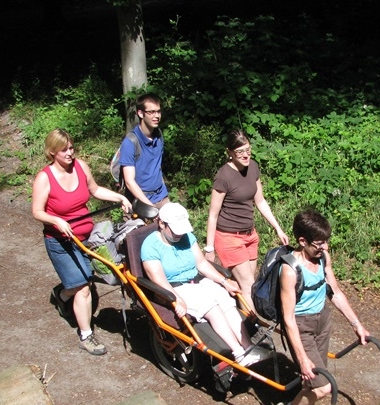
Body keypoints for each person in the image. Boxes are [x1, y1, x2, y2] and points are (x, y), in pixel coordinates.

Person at [32, 128, 131, 356]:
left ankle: (63, 294)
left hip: (87, 237)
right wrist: (56, 220)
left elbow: (95, 190)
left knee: (99, 274)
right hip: (60, 241)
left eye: (71, 148)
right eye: (64, 149)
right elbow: (37, 211)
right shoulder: (44, 178)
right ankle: (86, 336)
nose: (70, 153)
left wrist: (120, 197)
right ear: (52, 152)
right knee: (84, 288)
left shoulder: (80, 167)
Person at [278, 210, 369, 405]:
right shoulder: (290, 270)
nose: (325, 248)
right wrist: (301, 359)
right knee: (323, 386)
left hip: (322, 321)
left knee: (314, 378)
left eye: (326, 242)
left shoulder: (324, 258)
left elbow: (335, 292)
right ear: (302, 241)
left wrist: (357, 325)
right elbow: (288, 319)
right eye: (319, 244)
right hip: (301, 327)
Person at [141, 202, 265, 366]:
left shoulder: (186, 236)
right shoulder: (150, 246)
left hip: (197, 281)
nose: (180, 234)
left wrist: (224, 281)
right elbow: (159, 279)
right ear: (162, 224)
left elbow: (202, 264)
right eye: (175, 230)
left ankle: (248, 346)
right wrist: (177, 299)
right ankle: (239, 353)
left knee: (225, 299)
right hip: (175, 288)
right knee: (210, 306)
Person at [205, 129, 288, 311]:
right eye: (240, 152)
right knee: (248, 285)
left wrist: (277, 228)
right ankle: (255, 328)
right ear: (230, 152)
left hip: (250, 235)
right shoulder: (223, 176)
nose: (245, 155)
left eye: (248, 150)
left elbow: (260, 201)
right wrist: (209, 248)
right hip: (229, 237)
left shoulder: (253, 167)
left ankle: (237, 319)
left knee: (247, 285)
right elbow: (213, 214)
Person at [119, 93, 169, 208]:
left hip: (161, 197)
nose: (156, 116)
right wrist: (150, 207)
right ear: (140, 113)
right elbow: (129, 182)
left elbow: (158, 167)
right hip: (139, 201)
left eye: (158, 111)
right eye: (151, 112)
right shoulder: (130, 142)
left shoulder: (158, 135)